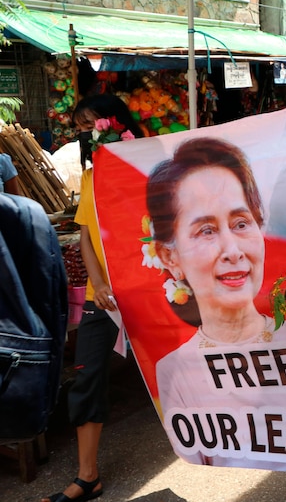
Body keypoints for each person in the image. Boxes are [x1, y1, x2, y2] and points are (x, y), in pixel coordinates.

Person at [147, 137, 286, 478]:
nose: (233, 250)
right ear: (170, 256)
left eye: (241, 223)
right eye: (206, 230)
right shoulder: (175, 372)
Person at [41, 94, 144, 502]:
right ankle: (88, 476)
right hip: (105, 298)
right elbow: (85, 238)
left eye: (91, 125)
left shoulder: (146, 169)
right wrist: (99, 284)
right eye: (80, 127)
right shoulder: (89, 179)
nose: (85, 134)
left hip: (153, 291)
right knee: (86, 373)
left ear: (116, 124)